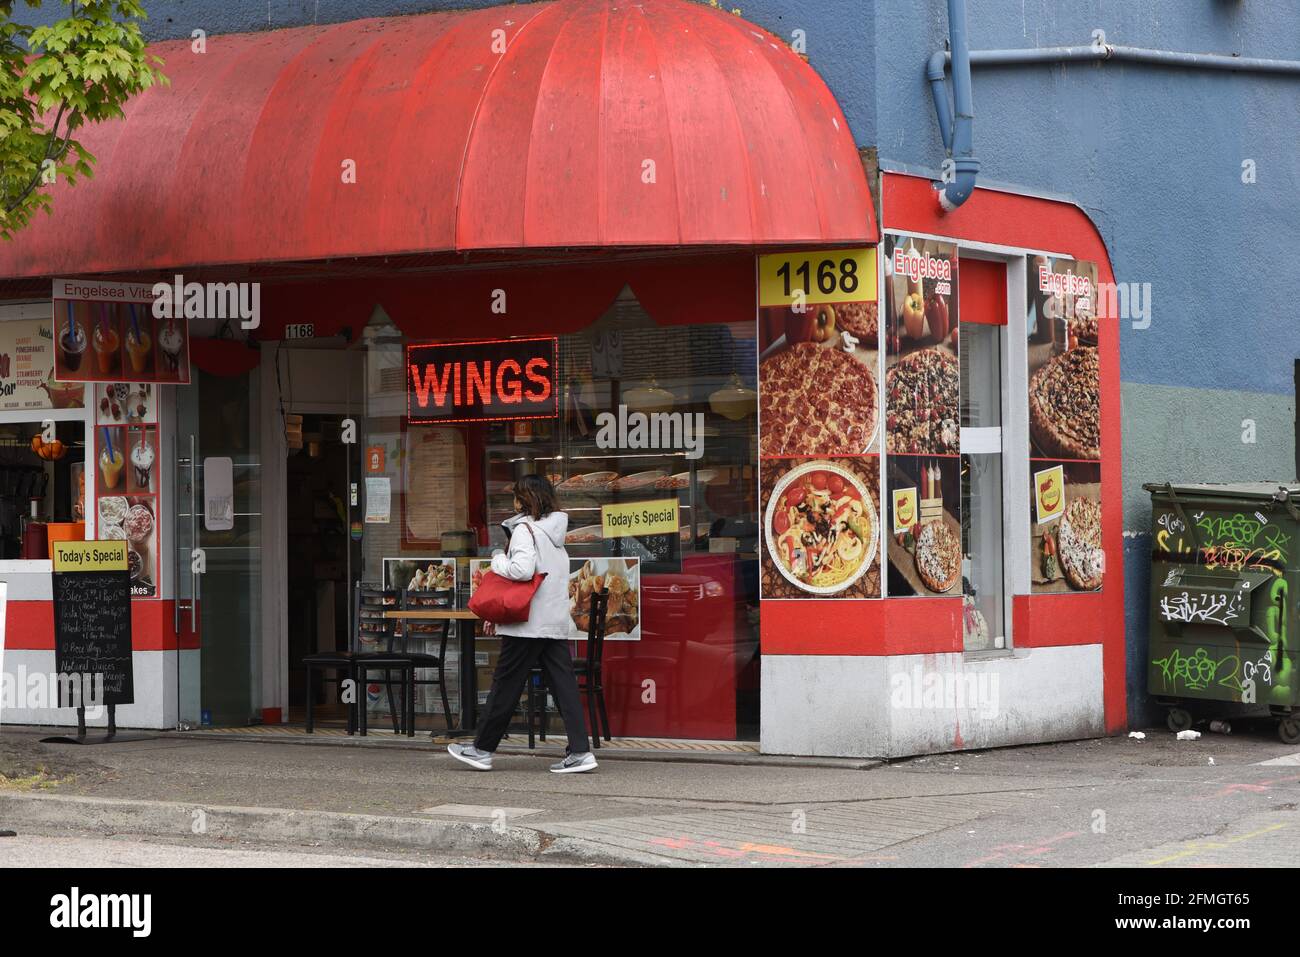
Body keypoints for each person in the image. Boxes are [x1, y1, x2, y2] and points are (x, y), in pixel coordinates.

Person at [448, 474, 597, 774]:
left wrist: (496, 559)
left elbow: (521, 569)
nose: (513, 502)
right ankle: (581, 751)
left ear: (524, 500)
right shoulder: (555, 536)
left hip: (527, 623)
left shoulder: (525, 530)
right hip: (553, 621)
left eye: (516, 496)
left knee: (505, 684)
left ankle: (481, 750)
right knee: (564, 686)